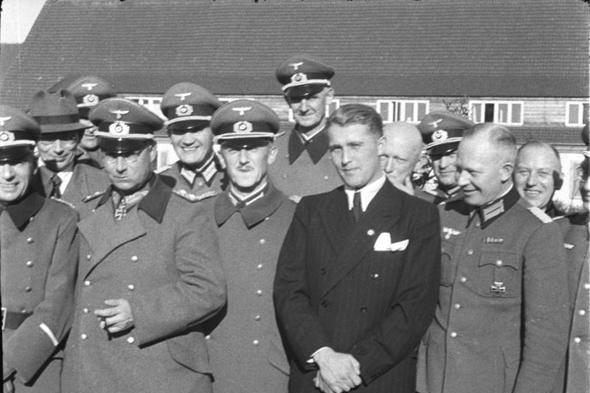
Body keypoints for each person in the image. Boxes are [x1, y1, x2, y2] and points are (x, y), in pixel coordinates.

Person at [61, 98, 227, 393]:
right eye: (111, 155)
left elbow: (207, 289)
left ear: (151, 153)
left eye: (131, 155)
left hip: (155, 370)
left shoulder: (185, 214)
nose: (120, 166)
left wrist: (139, 311)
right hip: (92, 369)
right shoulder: (86, 211)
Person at [274, 104, 441, 393]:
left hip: (378, 376)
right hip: (316, 374)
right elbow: (289, 292)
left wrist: (353, 368)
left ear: (380, 146)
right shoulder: (312, 210)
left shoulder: (417, 215)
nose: (345, 159)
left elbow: (415, 306)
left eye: (355, 146)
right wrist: (324, 356)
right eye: (336, 149)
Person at [416, 123, 570, 393]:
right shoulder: (443, 215)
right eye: (460, 169)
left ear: (505, 172)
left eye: (472, 172)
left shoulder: (536, 231)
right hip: (433, 379)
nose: (461, 180)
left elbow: (546, 339)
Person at [205, 99, 294, 393]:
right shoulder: (195, 217)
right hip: (205, 372)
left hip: (267, 374)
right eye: (233, 149)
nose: (243, 159)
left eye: (253, 147)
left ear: (272, 153)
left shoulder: (297, 219)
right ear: (219, 156)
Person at [1, 105, 78, 393]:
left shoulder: (59, 218)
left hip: (32, 362)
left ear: (33, 164)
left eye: (17, 162)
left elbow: (58, 306)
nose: (7, 174)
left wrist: (8, 363)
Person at [29, 89, 110, 218]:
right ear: (35, 141)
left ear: (78, 138)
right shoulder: (22, 183)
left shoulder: (103, 183)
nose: (58, 149)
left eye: (66, 138)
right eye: (48, 140)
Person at [270, 54, 341, 200]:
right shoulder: (272, 149)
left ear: (329, 96)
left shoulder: (343, 148)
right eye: (296, 99)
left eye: (312, 98)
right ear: (287, 101)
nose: (304, 108)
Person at [158, 82, 225, 202]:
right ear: (169, 135)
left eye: (197, 129)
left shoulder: (234, 179)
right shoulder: (159, 183)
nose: (188, 140)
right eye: (179, 131)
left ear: (213, 132)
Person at [49, 75, 117, 168]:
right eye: (84, 118)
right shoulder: (56, 157)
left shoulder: (119, 158)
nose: (91, 127)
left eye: (97, 120)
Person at [417, 111, 474, 204]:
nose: (443, 165)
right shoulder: (421, 202)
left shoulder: (479, 200)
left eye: (451, 155)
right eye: (437, 156)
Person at [514, 141, 565, 216]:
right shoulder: (494, 224)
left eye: (542, 173)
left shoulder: (570, 227)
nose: (531, 182)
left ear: (559, 182)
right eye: (524, 172)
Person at [378, 122, 423, 195]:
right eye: (383, 157)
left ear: (418, 164)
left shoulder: (430, 203)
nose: (388, 168)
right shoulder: (355, 199)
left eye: (399, 160)